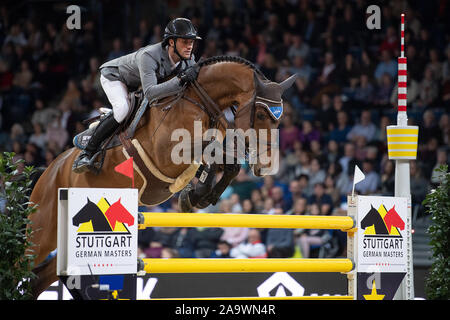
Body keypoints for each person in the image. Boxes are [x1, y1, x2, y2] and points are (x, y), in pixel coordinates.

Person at [72, 18, 202, 173]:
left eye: (191, 42)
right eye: (184, 42)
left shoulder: (188, 60)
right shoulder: (149, 55)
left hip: (136, 84)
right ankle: (87, 152)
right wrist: (180, 79)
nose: (189, 46)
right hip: (115, 76)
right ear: (171, 42)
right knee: (122, 109)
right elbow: (151, 93)